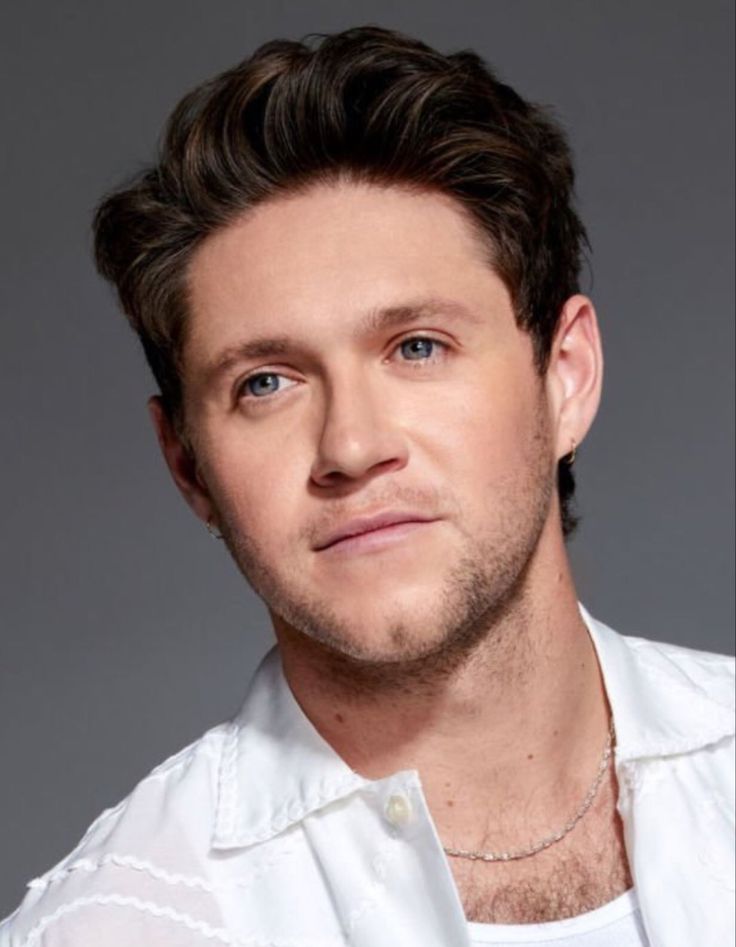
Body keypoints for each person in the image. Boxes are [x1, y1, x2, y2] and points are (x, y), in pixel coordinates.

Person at [2, 25, 733, 947]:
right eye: (265, 382)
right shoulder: (117, 927)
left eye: (416, 346)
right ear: (186, 462)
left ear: (566, 377)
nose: (350, 444)